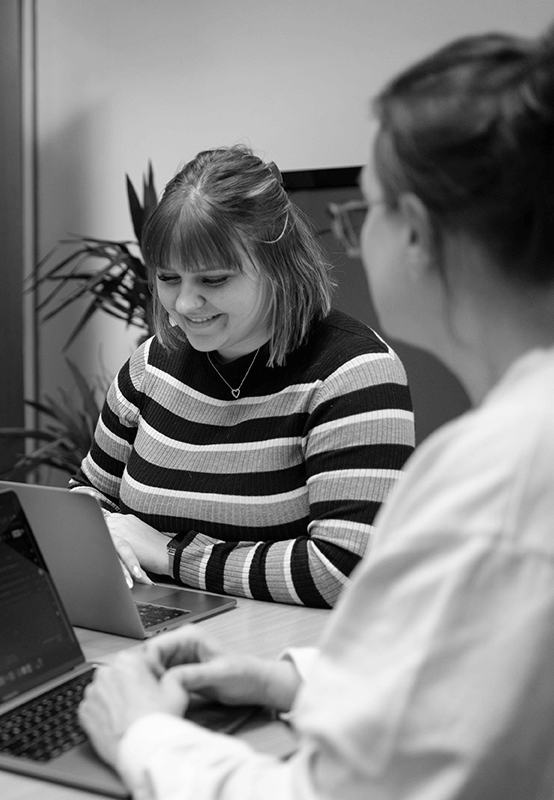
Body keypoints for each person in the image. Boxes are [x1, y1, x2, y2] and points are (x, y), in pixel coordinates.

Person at [79, 24, 554, 799]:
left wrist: (142, 734)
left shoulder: (498, 483)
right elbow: (447, 689)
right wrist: (295, 681)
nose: (186, 305)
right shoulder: (515, 448)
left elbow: (344, 789)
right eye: (171, 280)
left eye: (362, 211)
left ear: (418, 236)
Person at [70, 145, 414, 608]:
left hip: (281, 661)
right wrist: (98, 535)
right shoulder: (151, 365)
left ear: (278, 267)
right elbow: (86, 501)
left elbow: (343, 571)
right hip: (151, 635)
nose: (186, 305)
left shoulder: (353, 374)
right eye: (169, 278)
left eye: (213, 281)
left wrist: (172, 555)